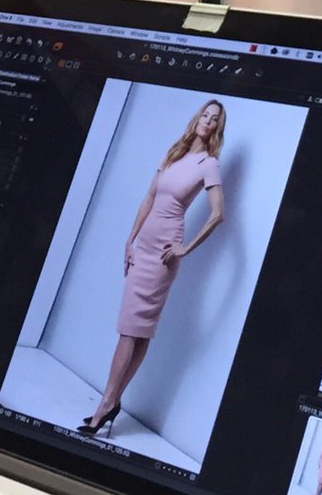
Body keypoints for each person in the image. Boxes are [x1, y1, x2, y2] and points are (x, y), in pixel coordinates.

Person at [78, 99, 226, 437]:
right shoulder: (175, 152)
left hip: (163, 255)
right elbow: (149, 197)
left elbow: (218, 214)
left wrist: (185, 248)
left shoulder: (209, 164)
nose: (207, 120)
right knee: (136, 330)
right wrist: (130, 239)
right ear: (197, 117)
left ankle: (105, 404)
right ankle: (113, 402)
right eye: (205, 114)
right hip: (142, 247)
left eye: (214, 119)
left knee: (133, 331)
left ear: (218, 127)